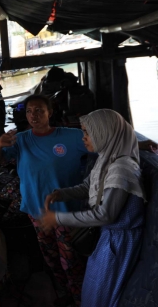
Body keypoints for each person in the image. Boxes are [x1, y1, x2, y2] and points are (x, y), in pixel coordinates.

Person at [42, 109, 146, 307]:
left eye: (87, 133)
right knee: (93, 289)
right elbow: (88, 187)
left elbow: (105, 214)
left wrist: (58, 218)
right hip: (109, 237)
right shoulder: (107, 158)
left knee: (102, 295)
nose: (84, 138)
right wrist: (62, 194)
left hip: (119, 243)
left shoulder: (121, 169)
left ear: (104, 132)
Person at [0, 94, 87, 306]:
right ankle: (63, 291)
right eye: (29, 111)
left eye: (39, 111)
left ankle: (81, 297)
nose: (33, 115)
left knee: (71, 258)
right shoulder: (21, 139)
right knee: (51, 257)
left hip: (65, 211)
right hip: (36, 211)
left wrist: (139, 145)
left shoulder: (70, 136)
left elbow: (102, 142)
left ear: (50, 113)